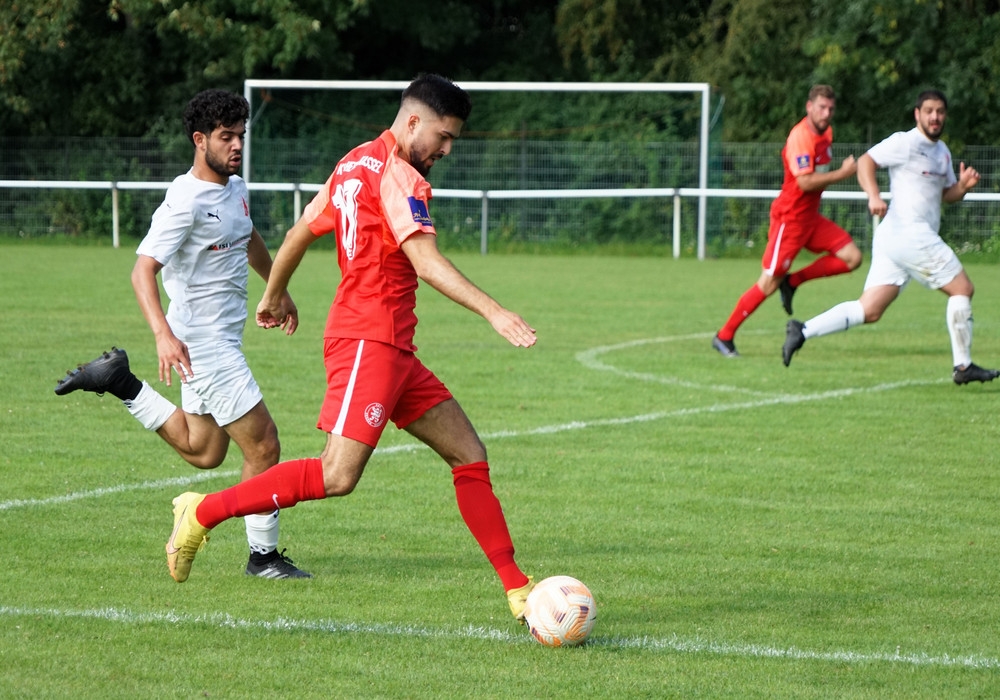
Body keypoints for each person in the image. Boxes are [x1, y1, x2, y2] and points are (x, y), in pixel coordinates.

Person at [163, 74, 540, 622]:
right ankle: (202, 512)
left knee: (469, 453)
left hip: (394, 347)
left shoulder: (352, 163)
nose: (447, 149)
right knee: (336, 475)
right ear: (414, 121)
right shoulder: (398, 175)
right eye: (443, 136)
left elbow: (298, 232)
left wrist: (273, 294)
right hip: (369, 340)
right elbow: (426, 262)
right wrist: (494, 311)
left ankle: (516, 587)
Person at [55, 89, 310, 579]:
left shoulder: (235, 187)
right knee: (263, 446)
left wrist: (277, 289)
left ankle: (120, 382)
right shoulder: (185, 202)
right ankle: (263, 558)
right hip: (203, 342)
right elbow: (142, 271)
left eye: (241, 135)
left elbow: (249, 237)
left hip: (218, 341)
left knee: (205, 450)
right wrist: (162, 334)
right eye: (226, 136)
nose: (237, 146)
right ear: (199, 140)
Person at [782, 89, 999, 385]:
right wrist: (873, 195)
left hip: (895, 238)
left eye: (940, 112)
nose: (935, 117)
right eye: (929, 111)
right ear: (917, 114)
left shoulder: (942, 152)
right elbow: (866, 162)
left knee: (869, 310)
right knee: (962, 288)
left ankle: (802, 330)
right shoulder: (905, 142)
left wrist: (962, 187)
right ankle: (963, 366)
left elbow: (946, 195)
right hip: (910, 233)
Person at [712, 85, 863, 357]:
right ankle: (724, 336)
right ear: (809, 107)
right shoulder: (800, 137)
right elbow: (804, 182)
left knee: (853, 257)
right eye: (821, 107)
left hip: (810, 219)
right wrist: (842, 174)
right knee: (768, 283)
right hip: (790, 221)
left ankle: (793, 282)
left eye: (830, 109)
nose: (826, 113)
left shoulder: (826, 133)